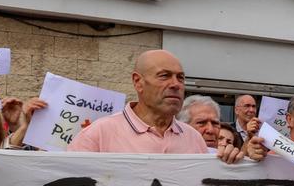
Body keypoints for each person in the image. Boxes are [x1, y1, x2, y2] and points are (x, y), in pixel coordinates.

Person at [68, 50, 252, 162]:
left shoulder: (193, 139)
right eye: (164, 76)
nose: (176, 84)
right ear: (138, 82)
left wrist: (233, 162)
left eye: (180, 78)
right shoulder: (98, 134)